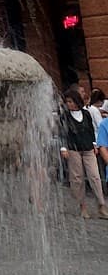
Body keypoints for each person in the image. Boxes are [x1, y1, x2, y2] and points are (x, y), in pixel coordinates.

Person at [59, 87, 107, 219]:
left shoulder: (85, 114)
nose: (69, 104)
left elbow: (90, 129)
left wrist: (94, 144)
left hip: (87, 148)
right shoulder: (65, 116)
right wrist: (63, 148)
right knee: (77, 178)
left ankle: (101, 205)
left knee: (94, 176)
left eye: (71, 101)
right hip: (73, 149)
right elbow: (63, 132)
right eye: (67, 102)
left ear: (77, 101)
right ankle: (83, 206)